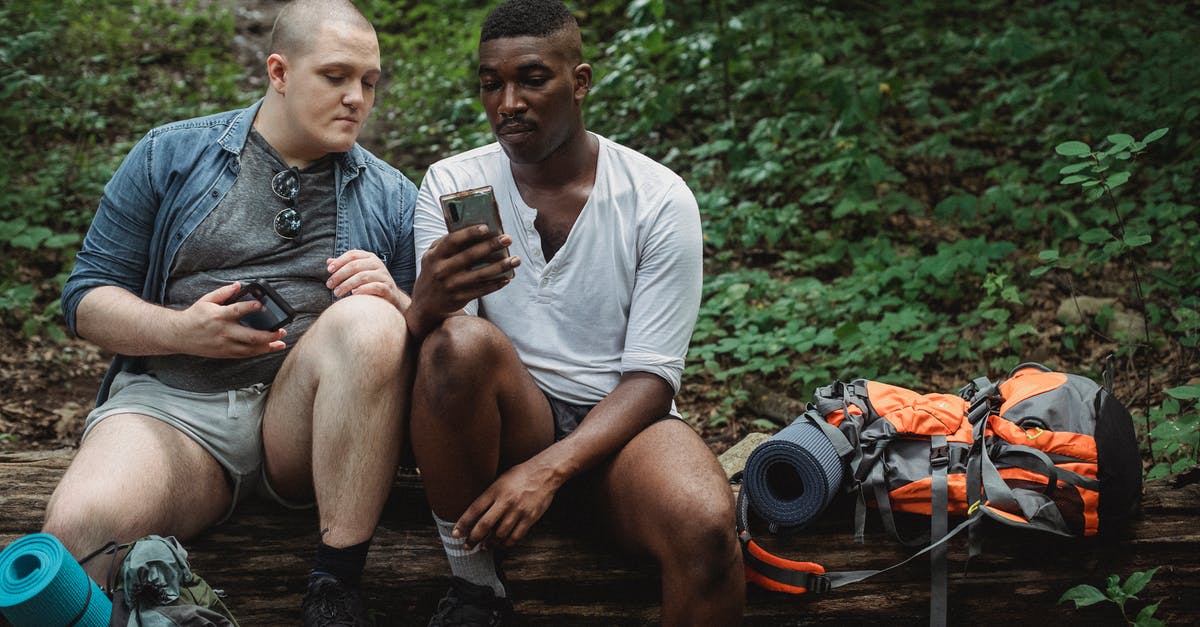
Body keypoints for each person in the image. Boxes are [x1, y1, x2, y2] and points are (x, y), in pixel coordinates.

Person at [42, 1, 415, 625]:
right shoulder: (171, 154)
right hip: (174, 414)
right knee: (74, 538)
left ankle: (336, 588)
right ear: (279, 72)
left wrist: (401, 301)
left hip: (302, 429)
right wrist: (181, 328)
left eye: (370, 83)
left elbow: (429, 350)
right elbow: (86, 299)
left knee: (374, 320)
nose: (357, 97)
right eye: (336, 76)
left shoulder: (393, 196)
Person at [405, 0, 746, 624]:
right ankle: (476, 589)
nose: (507, 102)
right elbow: (443, 364)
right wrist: (423, 302)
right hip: (512, 421)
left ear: (579, 81)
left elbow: (651, 377)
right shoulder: (453, 183)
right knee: (457, 342)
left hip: (623, 431)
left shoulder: (656, 197)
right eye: (491, 83)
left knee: (707, 531)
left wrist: (548, 473)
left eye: (531, 79)